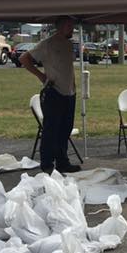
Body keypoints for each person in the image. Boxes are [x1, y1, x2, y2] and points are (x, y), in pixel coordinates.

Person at [20, 16, 81, 174]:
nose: (72, 29)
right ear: (60, 27)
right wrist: (41, 76)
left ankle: (62, 162)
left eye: (72, 25)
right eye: (68, 26)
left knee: (65, 129)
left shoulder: (69, 44)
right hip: (54, 92)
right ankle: (47, 164)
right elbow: (24, 59)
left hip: (69, 92)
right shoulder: (47, 44)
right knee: (51, 130)